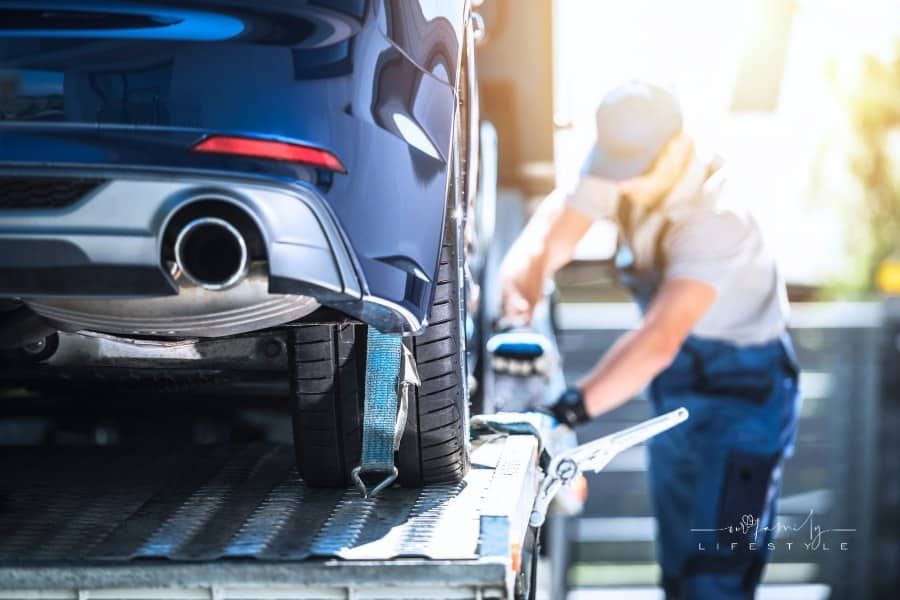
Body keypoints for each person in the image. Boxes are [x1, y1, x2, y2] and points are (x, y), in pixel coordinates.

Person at [500, 81, 802, 599]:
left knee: (715, 572)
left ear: (677, 146)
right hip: (682, 380)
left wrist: (566, 412)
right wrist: (519, 301)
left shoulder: (718, 215)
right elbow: (549, 238)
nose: (624, 186)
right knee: (680, 558)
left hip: (743, 397)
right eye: (616, 170)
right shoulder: (622, 167)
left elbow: (659, 338)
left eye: (635, 170)